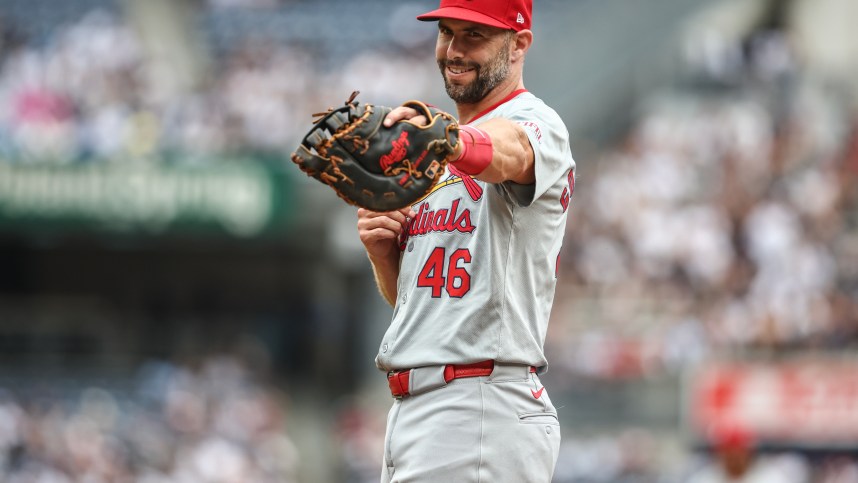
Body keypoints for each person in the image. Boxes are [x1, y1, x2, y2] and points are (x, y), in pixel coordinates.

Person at [356, 0, 576, 481]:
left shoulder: (536, 122)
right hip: (425, 409)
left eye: (474, 35)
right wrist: (384, 255)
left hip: (479, 405)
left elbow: (508, 151)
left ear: (518, 44)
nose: (454, 49)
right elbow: (429, 308)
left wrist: (447, 140)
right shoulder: (438, 152)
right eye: (447, 33)